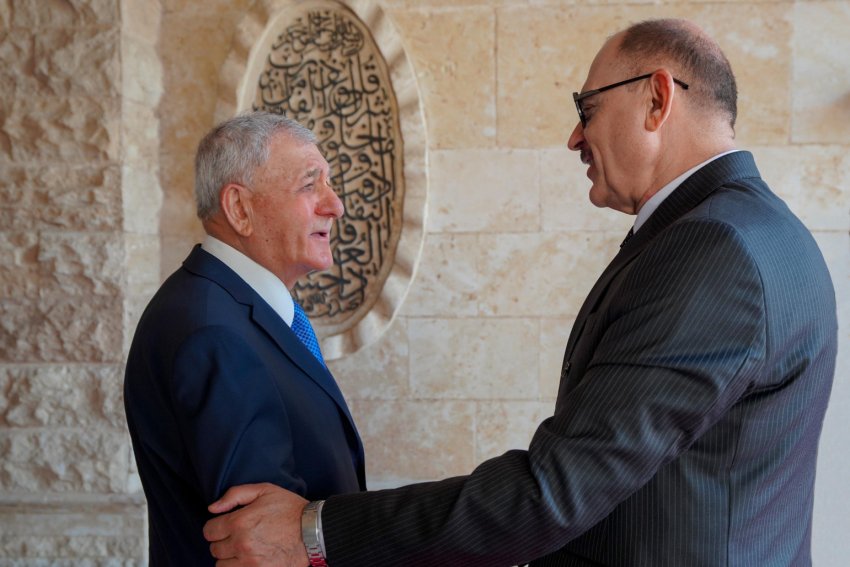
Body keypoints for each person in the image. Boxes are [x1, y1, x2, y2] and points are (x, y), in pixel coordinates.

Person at [203, 19, 837, 567]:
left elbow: (555, 491)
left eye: (586, 109)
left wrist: (316, 533)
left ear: (657, 98)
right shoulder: (759, 230)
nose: (574, 138)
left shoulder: (711, 250)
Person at [124, 111, 366, 565]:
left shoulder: (228, 307)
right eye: (309, 185)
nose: (334, 205)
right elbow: (267, 546)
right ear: (239, 208)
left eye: (329, 183)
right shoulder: (213, 334)